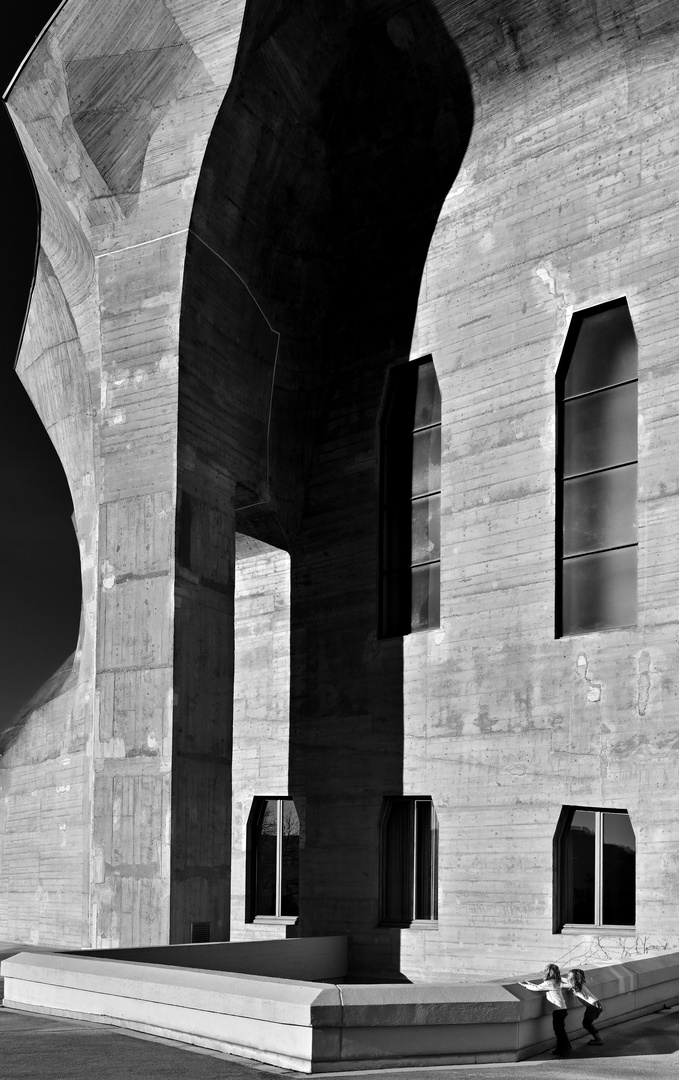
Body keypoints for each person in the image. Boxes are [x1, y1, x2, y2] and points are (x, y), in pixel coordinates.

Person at [519, 963, 572, 1056]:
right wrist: (530, 983)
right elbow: (540, 986)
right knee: (560, 1030)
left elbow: (537, 988)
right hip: (562, 1009)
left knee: (559, 1031)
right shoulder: (556, 982)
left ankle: (566, 1047)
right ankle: (561, 1048)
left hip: (558, 1010)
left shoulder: (549, 983)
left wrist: (525, 986)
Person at [564, 968, 603, 1045]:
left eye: (569, 976)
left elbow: (562, 984)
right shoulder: (579, 985)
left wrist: (554, 980)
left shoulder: (575, 985)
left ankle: (598, 1040)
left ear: (573, 978)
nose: (568, 977)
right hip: (595, 1005)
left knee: (587, 1024)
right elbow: (566, 981)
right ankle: (598, 1039)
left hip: (593, 1007)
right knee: (587, 1023)